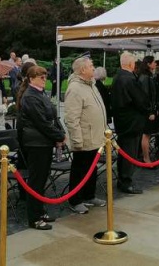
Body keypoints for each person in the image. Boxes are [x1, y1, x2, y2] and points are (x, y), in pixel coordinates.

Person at [17, 66, 66, 230]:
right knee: (36, 181)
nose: (44, 80)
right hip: (36, 143)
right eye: (40, 77)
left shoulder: (39, 93)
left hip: (44, 142)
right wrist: (58, 136)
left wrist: (59, 133)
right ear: (31, 79)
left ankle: (40, 210)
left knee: (41, 180)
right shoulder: (30, 96)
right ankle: (34, 217)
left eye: (45, 77)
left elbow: (52, 115)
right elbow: (41, 122)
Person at [64, 57, 108, 215]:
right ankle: (75, 200)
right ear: (82, 70)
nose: (93, 68)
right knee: (79, 170)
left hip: (95, 137)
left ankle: (89, 196)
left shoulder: (92, 85)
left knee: (92, 168)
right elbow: (71, 118)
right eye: (91, 66)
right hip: (83, 139)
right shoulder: (75, 88)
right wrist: (77, 140)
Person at [111, 52, 153, 194]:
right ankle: (126, 181)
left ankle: (123, 179)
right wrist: (148, 109)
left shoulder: (118, 77)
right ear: (131, 64)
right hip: (131, 122)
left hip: (122, 121)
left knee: (125, 152)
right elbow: (141, 100)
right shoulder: (129, 79)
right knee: (129, 152)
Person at [136, 56, 157, 164]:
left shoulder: (148, 76)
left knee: (147, 135)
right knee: (146, 135)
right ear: (148, 64)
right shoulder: (145, 77)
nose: (155, 64)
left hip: (148, 110)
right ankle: (146, 158)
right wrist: (150, 111)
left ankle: (146, 156)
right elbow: (145, 96)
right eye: (153, 62)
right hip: (147, 112)